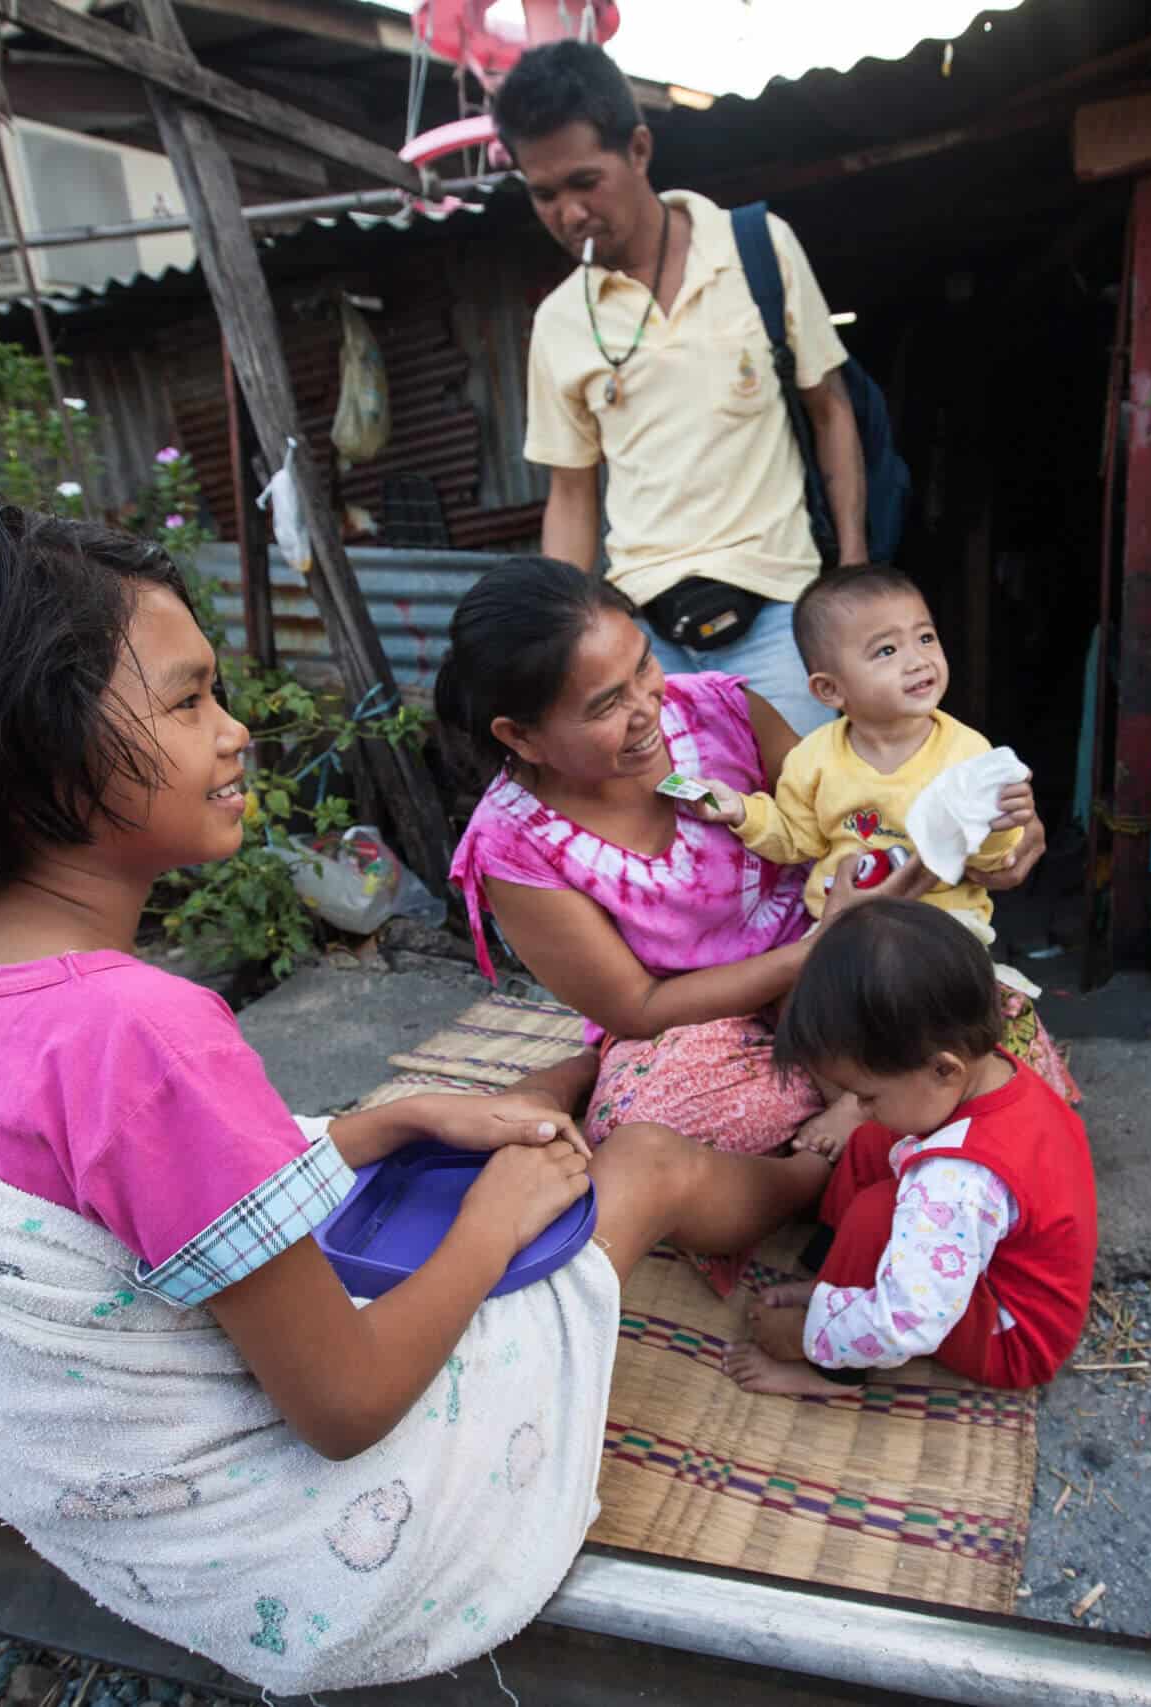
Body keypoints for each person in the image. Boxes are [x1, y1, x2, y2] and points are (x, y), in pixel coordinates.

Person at [0, 490, 832, 1693]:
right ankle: (825, 1170)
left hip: (133, 1540)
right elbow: (347, 1404)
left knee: (491, 1134)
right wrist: (493, 1218)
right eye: (190, 698)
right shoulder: (140, 1034)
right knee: (651, 1162)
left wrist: (395, 1119)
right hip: (318, 1558)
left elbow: (122, 1185)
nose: (236, 730)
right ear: (33, 750)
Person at [439, 556, 1074, 1179]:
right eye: (607, 705)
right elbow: (639, 1005)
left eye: (644, 666)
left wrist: (994, 832)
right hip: (701, 1019)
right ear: (521, 737)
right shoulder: (514, 847)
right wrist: (819, 947)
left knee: (983, 1065)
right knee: (656, 1130)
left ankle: (837, 1144)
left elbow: (844, 813)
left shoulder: (721, 712)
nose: (646, 709)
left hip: (851, 970)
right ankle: (813, 1161)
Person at [496, 41, 864, 736]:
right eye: (544, 194)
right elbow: (571, 495)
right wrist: (561, 638)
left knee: (815, 820)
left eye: (584, 181)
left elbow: (831, 410)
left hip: (783, 612)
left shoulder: (758, 249)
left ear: (638, 149)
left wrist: (849, 571)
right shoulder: (560, 322)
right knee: (691, 833)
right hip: (644, 639)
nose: (569, 213)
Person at [724, 901, 1098, 1398]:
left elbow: (909, 1323)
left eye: (868, 1093)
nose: (855, 1104)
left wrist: (808, 1336)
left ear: (944, 1069)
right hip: (996, 1264)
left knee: (876, 1211)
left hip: (1012, 1335)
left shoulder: (956, 1180)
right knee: (874, 1138)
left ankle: (833, 1373)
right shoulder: (988, 1070)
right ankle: (833, 1277)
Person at [688, 565, 1025, 948]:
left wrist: (1001, 826)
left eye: (926, 638)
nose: (918, 660)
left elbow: (989, 863)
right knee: (816, 983)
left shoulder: (967, 754)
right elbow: (798, 842)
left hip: (946, 928)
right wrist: (743, 812)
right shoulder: (812, 760)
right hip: (847, 927)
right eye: (887, 650)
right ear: (830, 689)